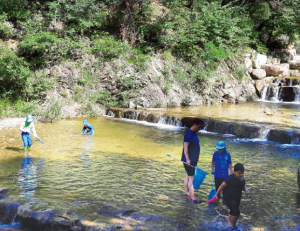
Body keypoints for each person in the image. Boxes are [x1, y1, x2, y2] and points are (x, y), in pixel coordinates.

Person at [213, 163, 250, 231]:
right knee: (236, 211)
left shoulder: (241, 179)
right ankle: (233, 227)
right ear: (234, 171)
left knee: (234, 211)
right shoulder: (230, 178)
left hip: (237, 197)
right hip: (228, 197)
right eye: (239, 173)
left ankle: (229, 220)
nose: (241, 174)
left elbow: (243, 186)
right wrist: (216, 194)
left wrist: (246, 190)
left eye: (242, 173)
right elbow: (222, 186)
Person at [181, 118, 205, 203]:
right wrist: (187, 159)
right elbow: (185, 147)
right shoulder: (188, 134)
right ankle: (192, 197)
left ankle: (187, 192)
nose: (199, 128)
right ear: (194, 124)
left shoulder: (193, 133)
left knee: (188, 175)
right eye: (199, 127)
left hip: (193, 160)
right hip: (189, 160)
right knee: (192, 178)